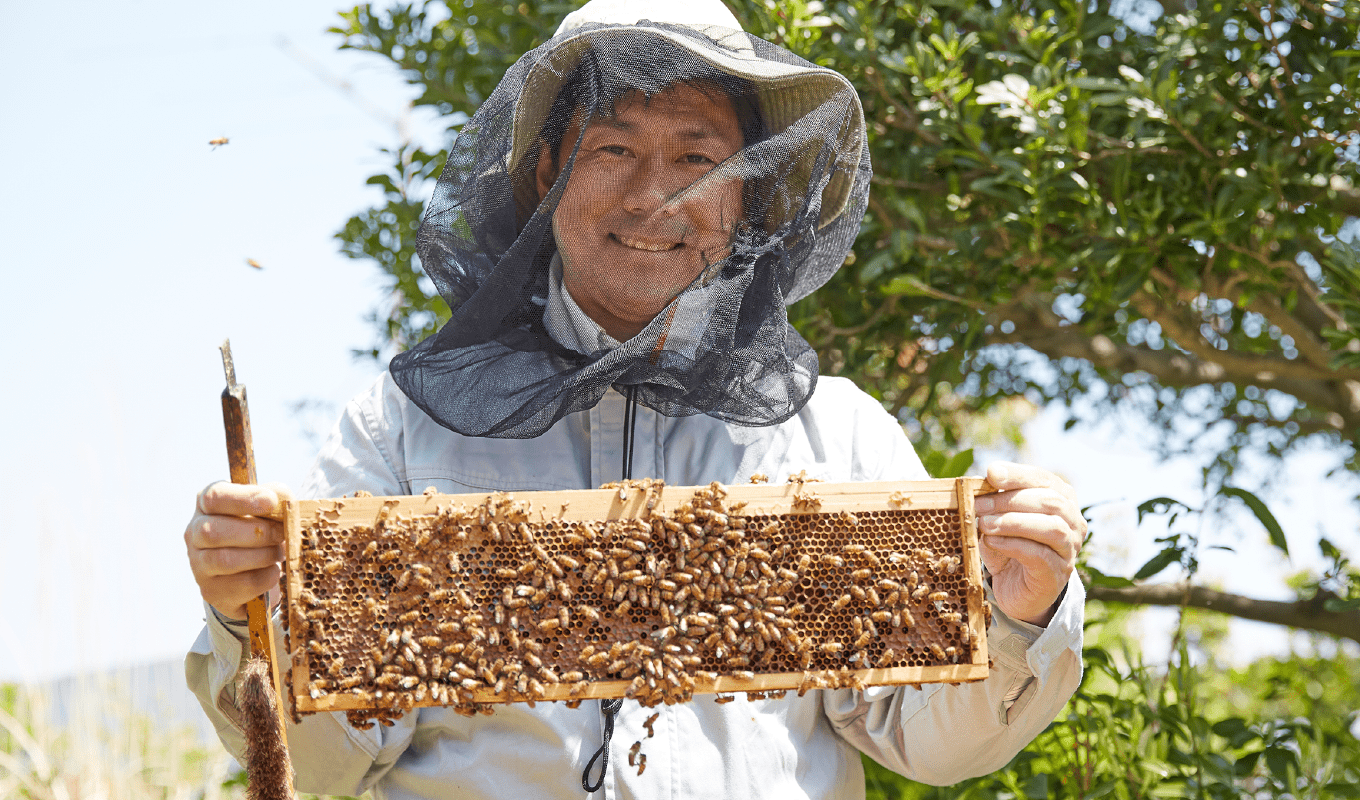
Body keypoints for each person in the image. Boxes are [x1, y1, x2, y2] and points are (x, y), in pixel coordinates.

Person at [185, 1, 1087, 797]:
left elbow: (928, 738)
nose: (657, 196)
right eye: (613, 149)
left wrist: (1021, 609)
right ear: (547, 177)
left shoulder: (838, 434)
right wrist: (247, 615)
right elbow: (325, 762)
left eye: (698, 157)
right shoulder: (398, 431)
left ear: (750, 191)